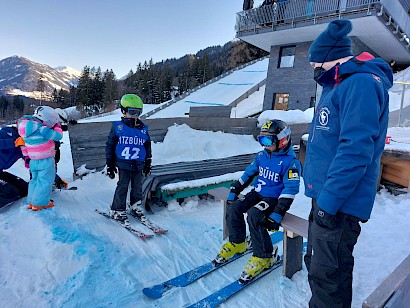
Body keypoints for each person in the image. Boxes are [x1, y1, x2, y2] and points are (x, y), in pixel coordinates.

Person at [304, 19, 393, 307]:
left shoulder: (361, 84)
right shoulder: (339, 83)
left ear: (333, 59)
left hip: (338, 205)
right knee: (319, 269)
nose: (315, 72)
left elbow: (355, 151)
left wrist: (328, 204)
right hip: (327, 198)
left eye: (317, 65)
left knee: (329, 277)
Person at [213, 119, 301, 283]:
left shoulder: (291, 163)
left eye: (268, 141)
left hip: (275, 199)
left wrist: (278, 213)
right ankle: (238, 242)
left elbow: (290, 189)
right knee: (235, 208)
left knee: (254, 215)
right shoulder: (262, 156)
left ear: (283, 140)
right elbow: (249, 173)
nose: (264, 145)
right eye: (262, 140)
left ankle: (265, 256)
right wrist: (235, 188)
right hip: (258, 192)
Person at [106, 94, 152, 225]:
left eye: (138, 112)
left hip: (138, 163)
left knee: (137, 186)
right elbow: (110, 146)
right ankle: (117, 210)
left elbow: (147, 145)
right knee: (123, 186)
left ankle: (135, 205)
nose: (135, 115)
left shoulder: (143, 129)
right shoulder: (118, 128)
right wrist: (110, 165)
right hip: (123, 163)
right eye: (132, 112)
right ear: (123, 111)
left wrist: (148, 161)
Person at [17, 106, 63, 211]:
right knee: (45, 181)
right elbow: (58, 136)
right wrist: (57, 126)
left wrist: (27, 158)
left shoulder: (23, 130)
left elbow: (23, 146)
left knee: (34, 181)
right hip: (45, 160)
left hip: (33, 160)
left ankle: (31, 202)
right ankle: (40, 203)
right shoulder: (42, 129)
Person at [0, 126, 28, 208]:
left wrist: (55, 179)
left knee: (24, 188)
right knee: (10, 193)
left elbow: (36, 163)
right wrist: (14, 142)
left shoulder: (22, 147)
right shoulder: (6, 133)